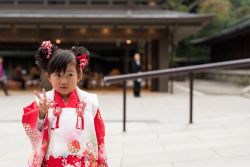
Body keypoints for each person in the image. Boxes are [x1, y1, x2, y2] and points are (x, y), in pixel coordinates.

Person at [22, 41, 108, 167]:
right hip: (52, 161)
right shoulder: (42, 102)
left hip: (83, 162)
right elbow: (35, 135)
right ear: (48, 76)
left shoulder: (90, 101)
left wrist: (101, 162)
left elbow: (99, 137)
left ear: (79, 75)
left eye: (70, 75)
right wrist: (41, 114)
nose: (63, 81)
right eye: (58, 75)